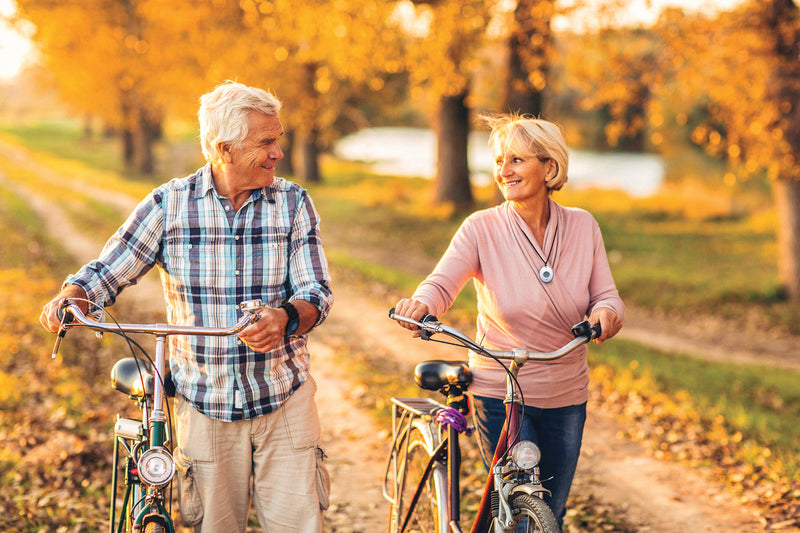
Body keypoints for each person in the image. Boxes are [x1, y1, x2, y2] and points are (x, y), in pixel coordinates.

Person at [39, 81, 334, 533]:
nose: (279, 152)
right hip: (204, 402)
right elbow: (107, 271)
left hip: (283, 399)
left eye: (278, 139)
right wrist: (71, 299)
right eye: (267, 142)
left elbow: (317, 290)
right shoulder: (168, 204)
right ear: (225, 148)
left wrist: (287, 318)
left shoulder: (293, 202)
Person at [392, 113, 624, 529]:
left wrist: (606, 314)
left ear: (549, 167)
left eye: (516, 159)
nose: (504, 171)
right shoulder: (480, 229)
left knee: (552, 511)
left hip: (566, 393)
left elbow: (606, 296)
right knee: (516, 505)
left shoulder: (583, 226)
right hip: (500, 390)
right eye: (499, 160)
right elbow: (441, 283)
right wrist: (421, 305)